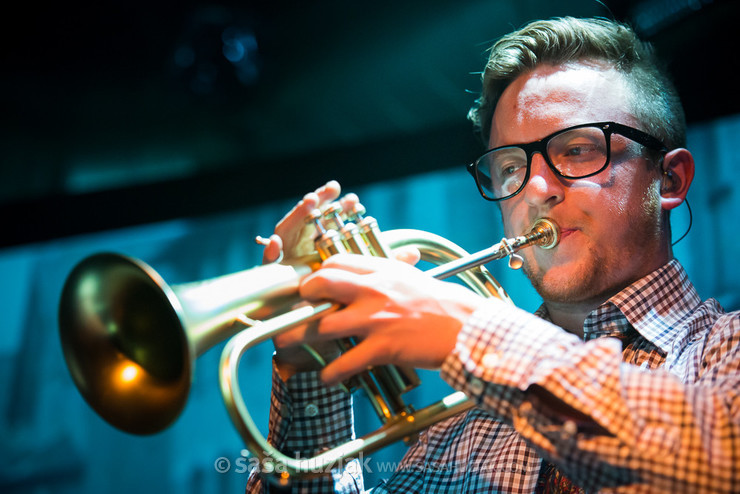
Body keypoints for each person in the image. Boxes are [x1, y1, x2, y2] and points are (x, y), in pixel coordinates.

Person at [246, 17, 740, 493]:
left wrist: (469, 331)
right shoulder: (452, 435)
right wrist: (309, 370)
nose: (537, 189)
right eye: (510, 167)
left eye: (578, 150)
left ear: (669, 179)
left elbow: (721, 465)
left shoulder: (727, 350)